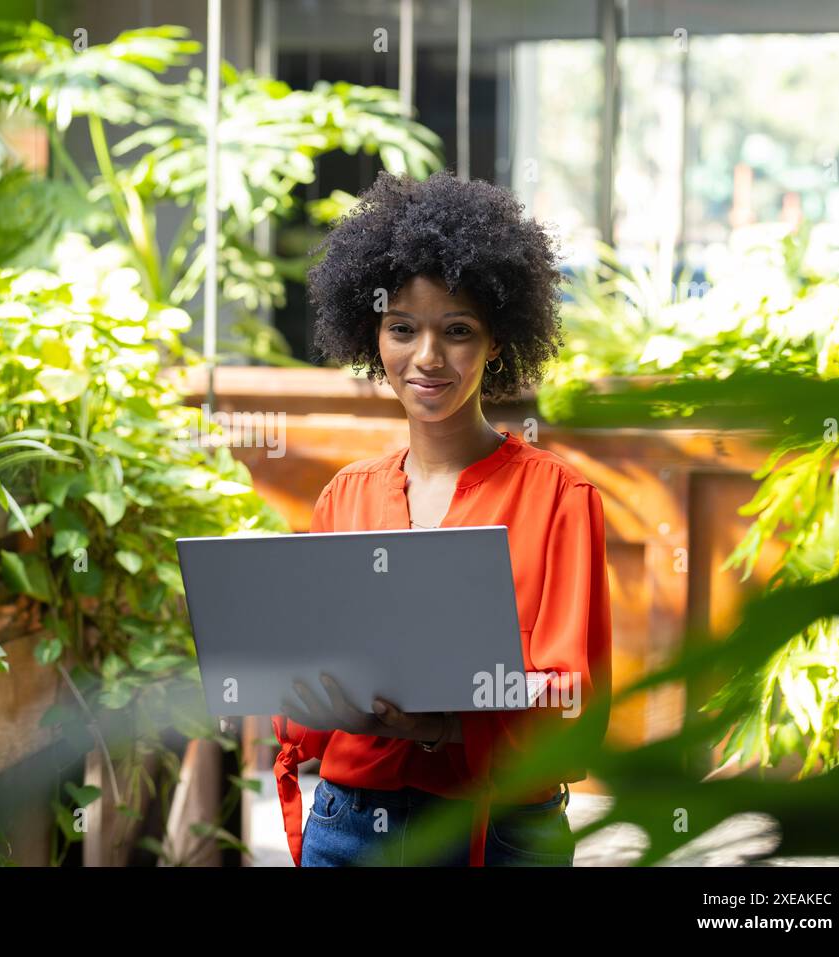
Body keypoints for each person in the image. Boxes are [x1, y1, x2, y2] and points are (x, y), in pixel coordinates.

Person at [272, 169, 613, 867]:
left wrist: (446, 723)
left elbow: (576, 703)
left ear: (498, 341)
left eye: (457, 330)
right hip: (348, 825)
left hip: (503, 828)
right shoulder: (346, 497)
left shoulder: (559, 499)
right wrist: (306, 697)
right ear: (375, 338)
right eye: (403, 328)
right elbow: (301, 705)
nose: (427, 357)